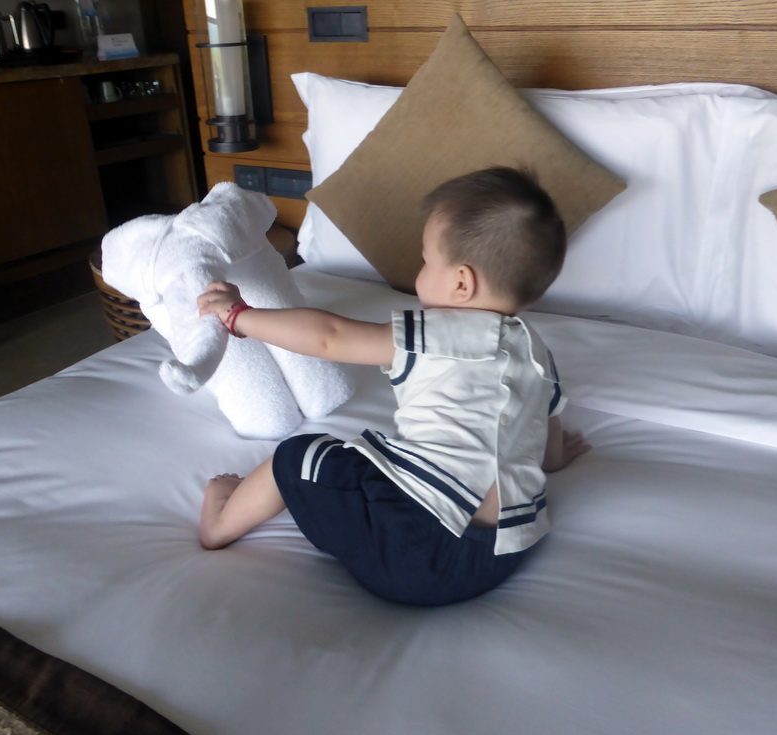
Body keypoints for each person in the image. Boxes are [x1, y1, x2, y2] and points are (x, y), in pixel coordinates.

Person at [196, 166, 589, 606]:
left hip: (416, 549)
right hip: (499, 556)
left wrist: (239, 316)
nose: (420, 268)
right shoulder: (537, 353)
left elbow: (330, 336)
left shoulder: (440, 330)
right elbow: (545, 434)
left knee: (298, 454)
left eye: (425, 259)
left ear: (461, 282)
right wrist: (557, 457)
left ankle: (220, 523)